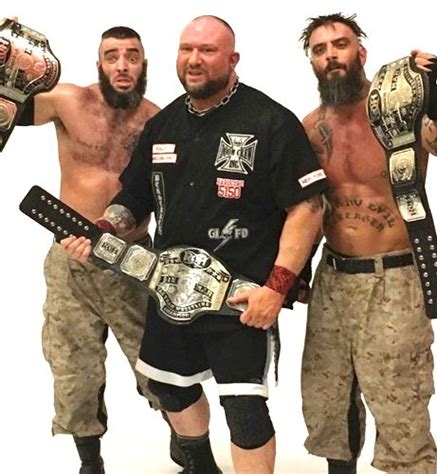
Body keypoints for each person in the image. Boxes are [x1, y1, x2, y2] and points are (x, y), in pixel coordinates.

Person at [63, 15, 328, 473]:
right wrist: (105, 226)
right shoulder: (163, 125)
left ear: (233, 59)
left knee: (244, 412)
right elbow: (134, 196)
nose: (194, 59)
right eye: (187, 49)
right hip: (171, 292)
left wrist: (277, 287)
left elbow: (308, 208)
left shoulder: (270, 121)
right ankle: (200, 465)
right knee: (171, 389)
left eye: (207, 50)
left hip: (241, 295)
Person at [299, 12, 437, 474]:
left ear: (361, 53)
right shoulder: (310, 128)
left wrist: (435, 98)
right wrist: (294, 272)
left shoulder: (402, 111)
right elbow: (304, 210)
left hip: (395, 276)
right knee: (328, 399)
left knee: (401, 402)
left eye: (340, 44)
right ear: (312, 62)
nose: (331, 55)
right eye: (320, 49)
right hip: (333, 280)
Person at [9, 23, 180, 473]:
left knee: (160, 364)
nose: (122, 65)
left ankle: (188, 442)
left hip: (132, 257)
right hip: (71, 255)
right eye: (112, 56)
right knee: (73, 366)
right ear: (98, 62)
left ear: (144, 63)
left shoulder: (159, 120)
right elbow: (9, 110)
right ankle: (90, 461)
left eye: (132, 56)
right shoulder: (67, 101)